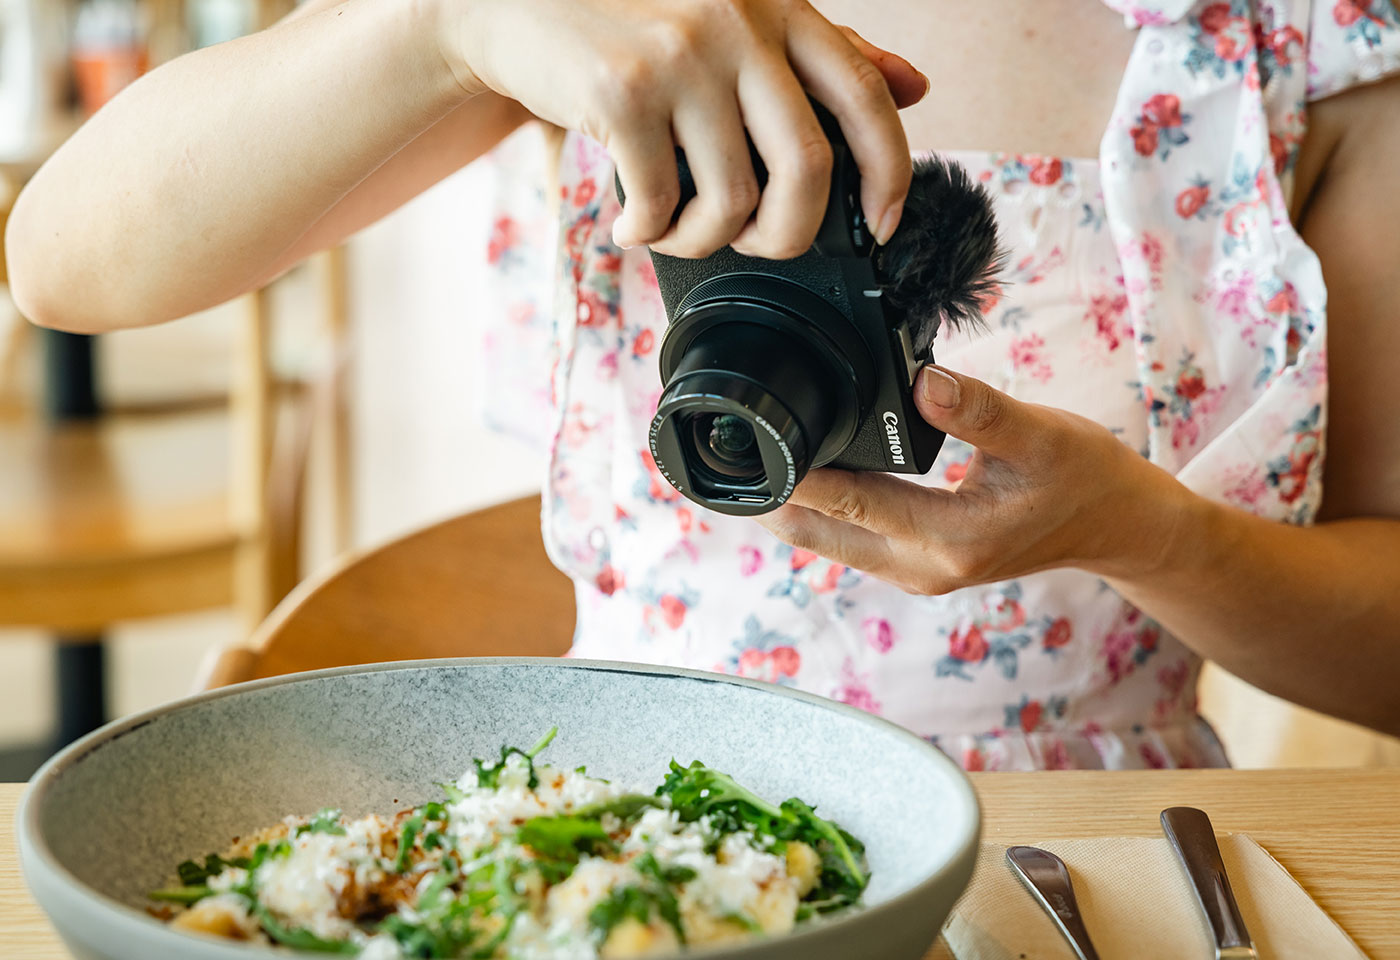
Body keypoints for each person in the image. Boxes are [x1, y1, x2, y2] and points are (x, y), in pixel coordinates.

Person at [7, 0, 1400, 770]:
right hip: (638, 838)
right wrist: (445, 25)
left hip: (1091, 870)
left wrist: (1152, 538)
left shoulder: (1298, 41)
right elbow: (67, 265)